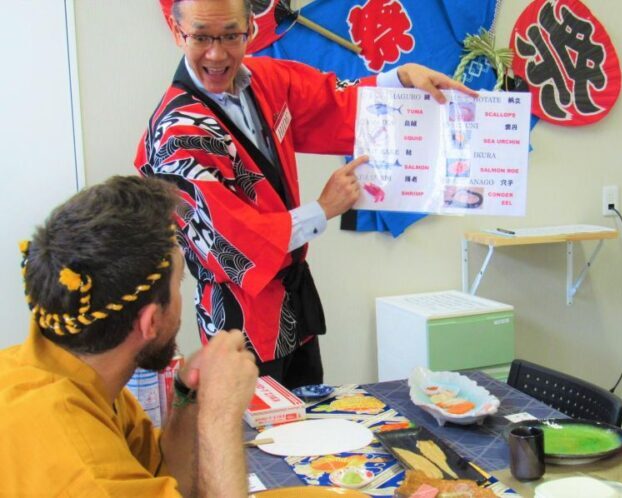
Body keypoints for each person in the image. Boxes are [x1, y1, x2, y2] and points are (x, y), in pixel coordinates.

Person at [135, 0, 477, 387]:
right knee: (253, 436)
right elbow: (229, 242)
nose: (216, 53)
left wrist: (402, 80)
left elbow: (335, 101)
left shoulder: (264, 80)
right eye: (201, 37)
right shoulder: (176, 133)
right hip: (239, 318)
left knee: (309, 422)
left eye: (230, 35)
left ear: (250, 28)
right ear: (179, 34)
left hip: (292, 304)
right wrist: (323, 208)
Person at [0, 176, 258, 496]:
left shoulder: (79, 376)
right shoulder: (87, 474)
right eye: (179, 284)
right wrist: (220, 417)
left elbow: (168, 477)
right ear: (150, 322)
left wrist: (188, 396)